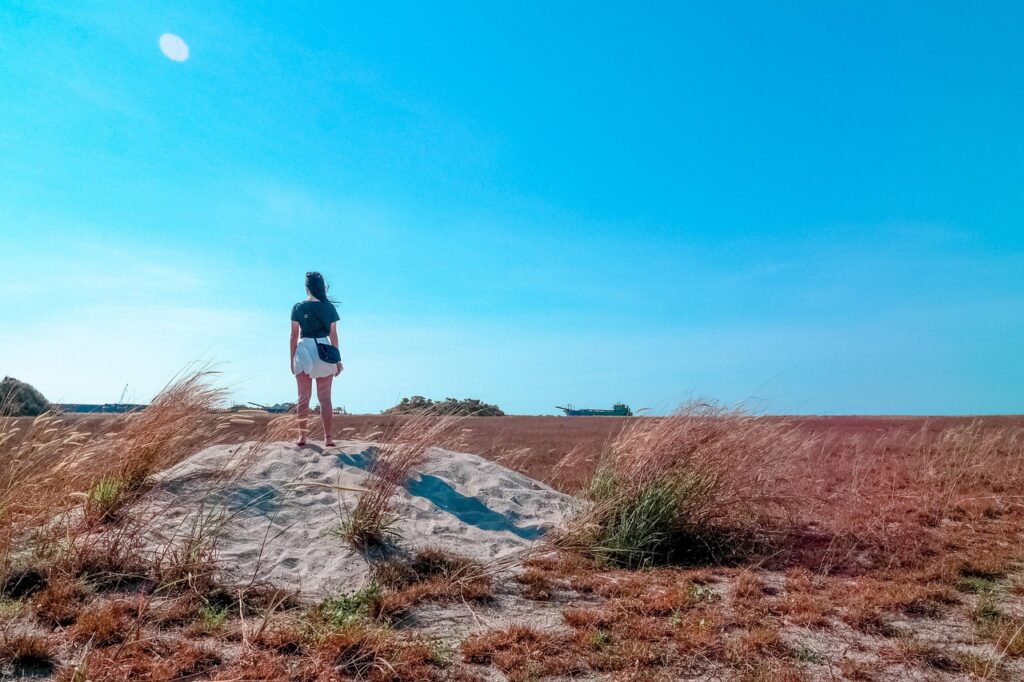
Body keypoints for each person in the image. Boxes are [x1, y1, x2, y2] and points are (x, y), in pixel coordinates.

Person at [290, 271, 343, 447]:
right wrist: (337, 359)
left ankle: (302, 437)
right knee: (325, 399)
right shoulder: (329, 307)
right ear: (322, 287)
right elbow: (334, 336)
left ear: (306, 287)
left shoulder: (298, 307)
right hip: (325, 350)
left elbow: (293, 336)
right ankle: (328, 438)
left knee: (303, 398)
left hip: (304, 349)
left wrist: (291, 360)